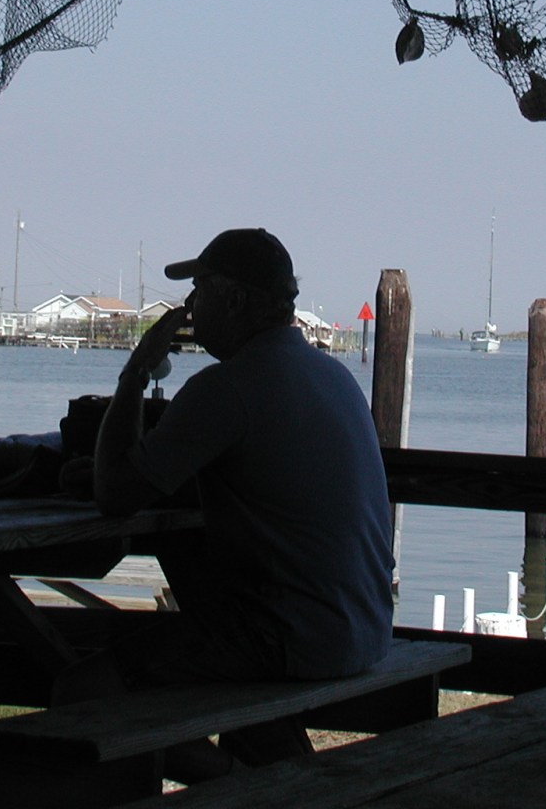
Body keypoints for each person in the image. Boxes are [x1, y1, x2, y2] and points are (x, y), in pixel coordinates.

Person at [57, 228, 394, 772]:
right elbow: (261, 477)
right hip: (364, 628)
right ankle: (257, 774)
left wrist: (137, 369)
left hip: (289, 638)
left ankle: (229, 784)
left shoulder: (229, 386)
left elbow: (115, 495)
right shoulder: (332, 377)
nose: (189, 308)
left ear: (234, 300)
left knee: (80, 690)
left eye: (198, 293)